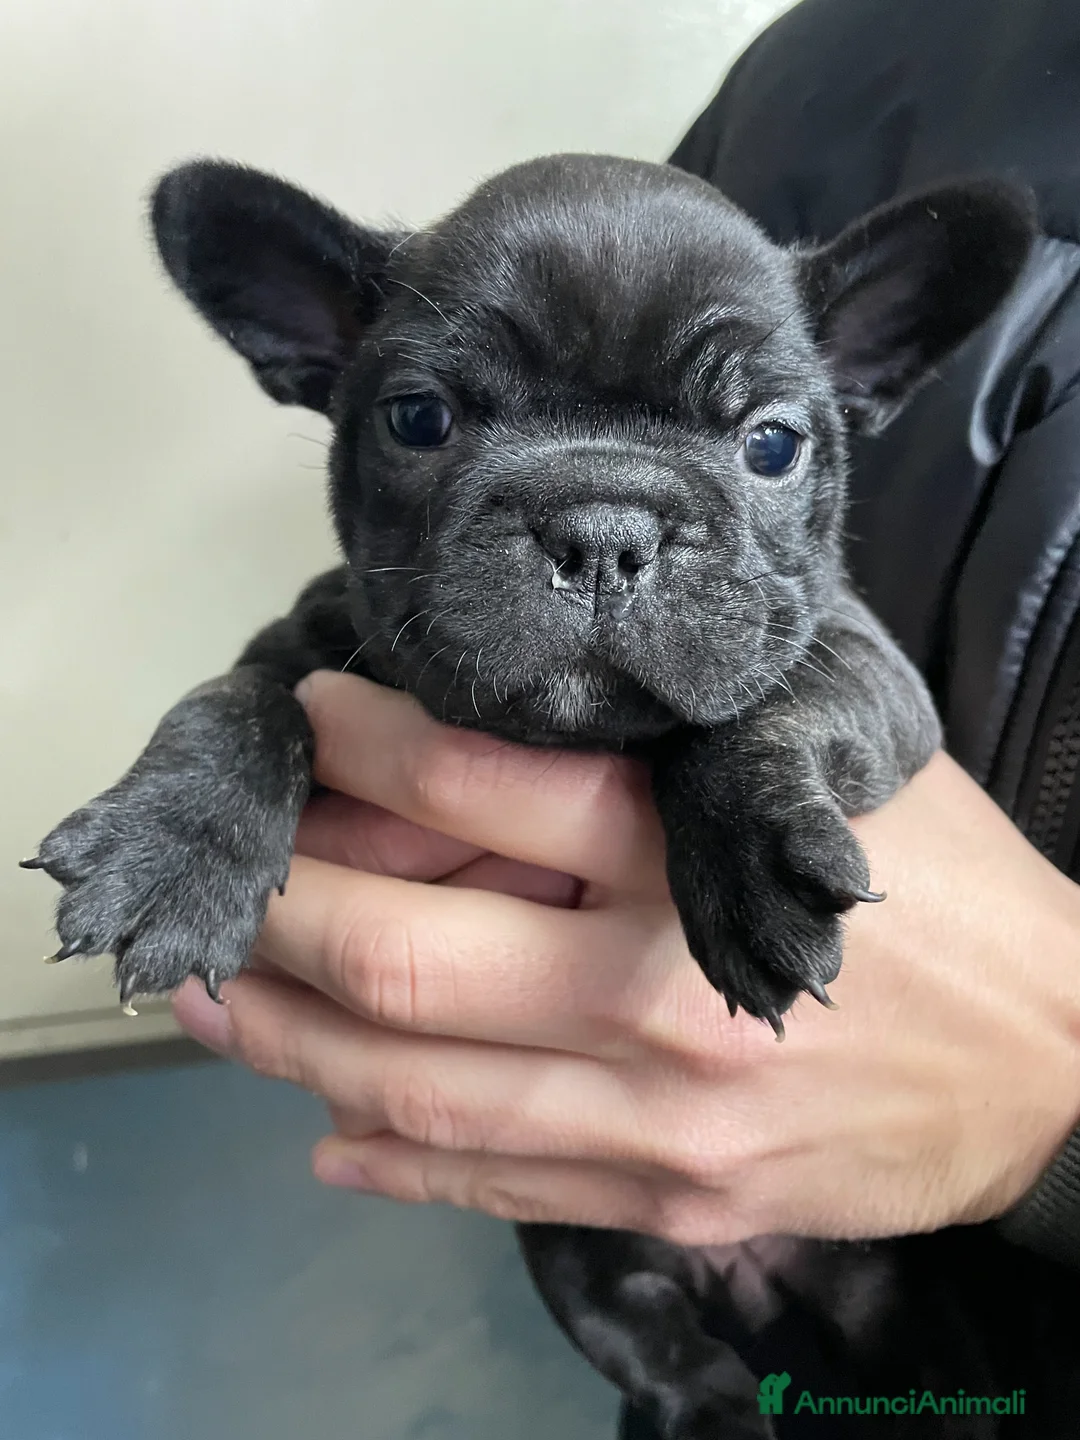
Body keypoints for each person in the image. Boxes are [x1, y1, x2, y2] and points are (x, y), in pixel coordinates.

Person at [172, 0, 1080, 1430]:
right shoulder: (823, 68)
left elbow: (859, 690)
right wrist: (207, 796)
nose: (603, 538)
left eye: (766, 441)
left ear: (867, 377)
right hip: (608, 1218)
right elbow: (264, 689)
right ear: (322, 363)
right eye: (429, 418)